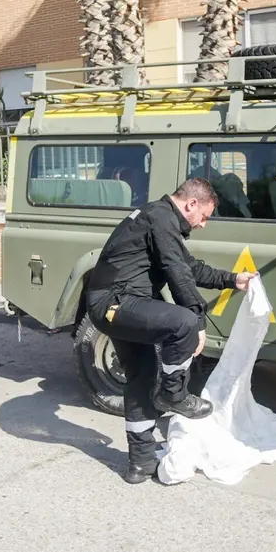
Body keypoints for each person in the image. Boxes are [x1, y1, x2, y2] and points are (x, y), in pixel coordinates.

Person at [84, 177, 257, 484]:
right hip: (114, 303)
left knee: (141, 377)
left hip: (120, 303)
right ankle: (173, 394)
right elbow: (178, 274)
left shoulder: (161, 220)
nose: (203, 224)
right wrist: (197, 323)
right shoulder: (160, 217)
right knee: (184, 322)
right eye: (204, 216)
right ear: (191, 204)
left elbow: (188, 267)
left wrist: (233, 280)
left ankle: (140, 463)